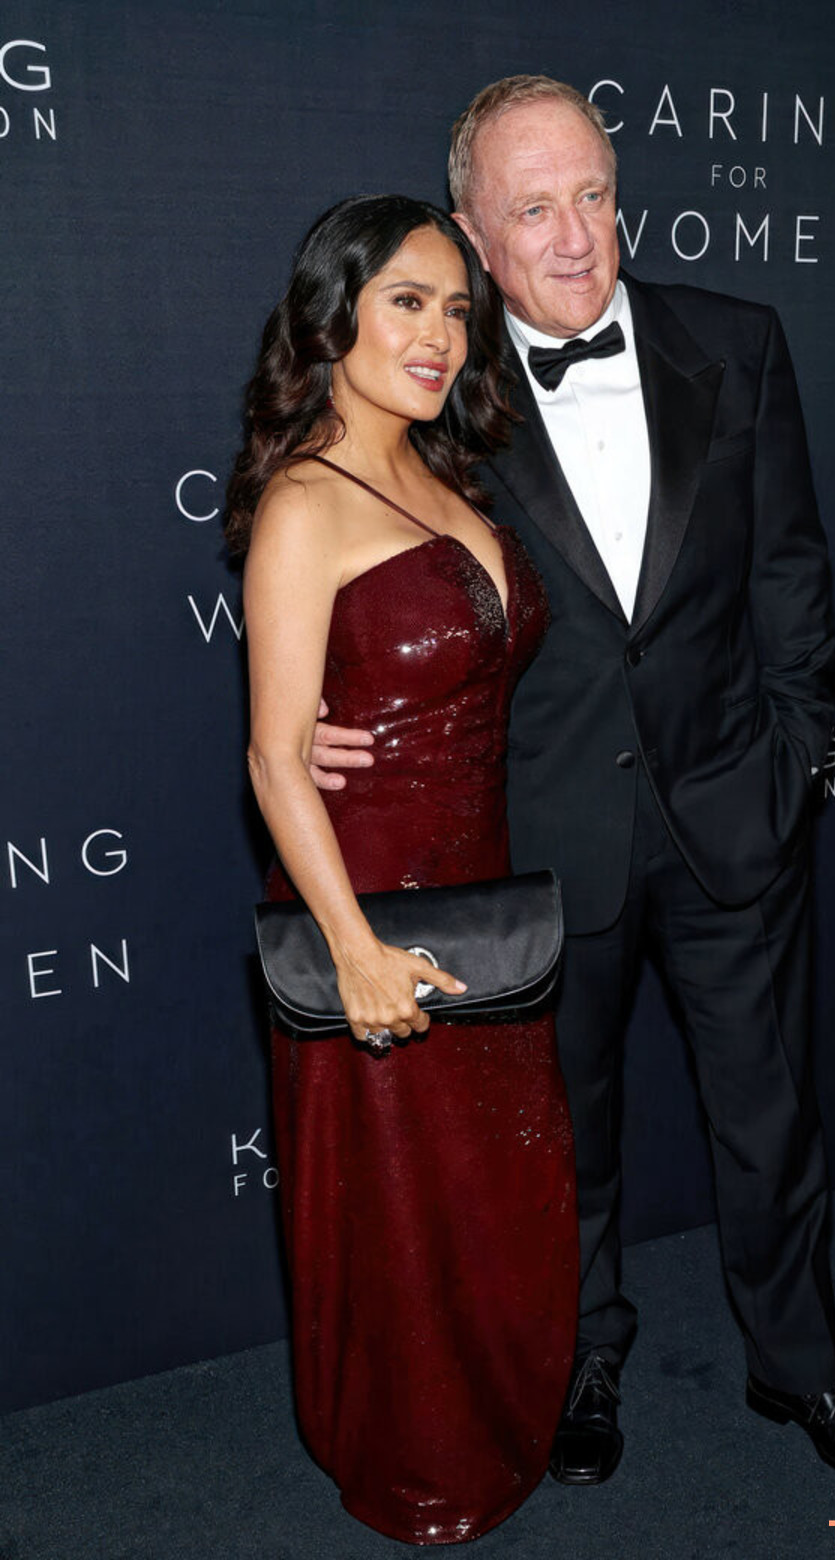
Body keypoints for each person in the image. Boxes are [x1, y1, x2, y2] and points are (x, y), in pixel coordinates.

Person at [311, 79, 835, 1492]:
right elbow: (331, 540)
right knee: (566, 1134)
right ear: (475, 233)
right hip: (543, 833)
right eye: (533, 209)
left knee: (772, 1118)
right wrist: (317, 721)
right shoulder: (435, 394)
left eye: (592, 194)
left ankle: (802, 1371)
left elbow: (792, 573)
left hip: (734, 812)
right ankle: (582, 1361)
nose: (576, 235)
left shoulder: (737, 342)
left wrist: (799, 759)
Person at [227, 193, 578, 1544]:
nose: (440, 336)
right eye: (408, 302)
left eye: (458, 309)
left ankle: (497, 1421)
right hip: (366, 898)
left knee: (487, 1189)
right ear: (335, 317)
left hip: (479, 884)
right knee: (400, 1207)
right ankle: (416, 1458)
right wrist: (356, 950)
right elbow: (275, 759)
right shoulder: (306, 502)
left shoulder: (448, 473)